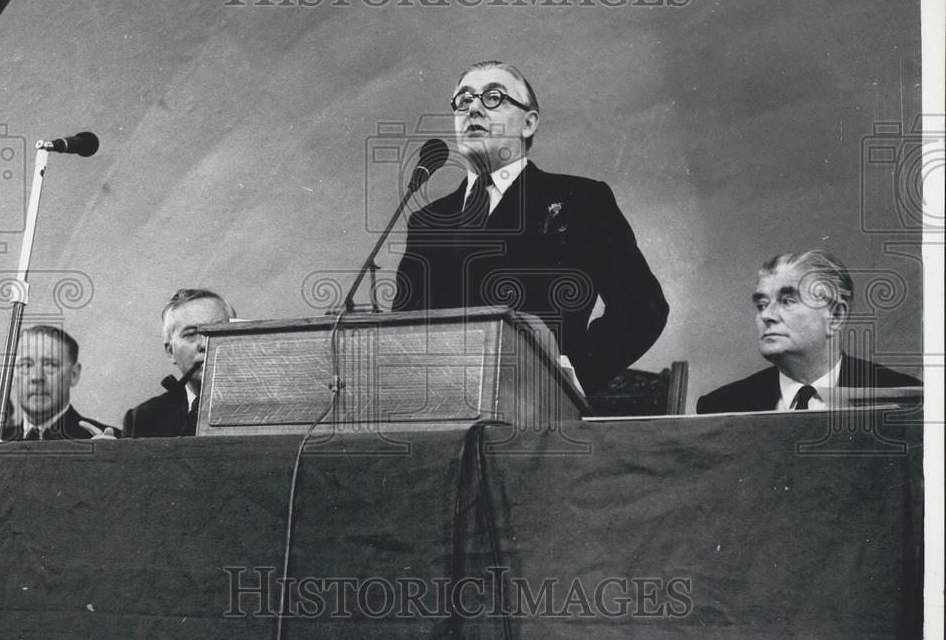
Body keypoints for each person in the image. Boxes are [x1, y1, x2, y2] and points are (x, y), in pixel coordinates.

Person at [393, 60, 668, 396]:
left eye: (493, 97)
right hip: (443, 409)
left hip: (538, 413)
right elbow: (402, 333)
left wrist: (567, 377)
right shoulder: (426, 222)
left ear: (528, 122)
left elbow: (643, 307)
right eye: (463, 100)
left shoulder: (581, 200)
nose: (474, 109)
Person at [696, 250, 921, 413]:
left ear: (836, 316)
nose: (767, 315)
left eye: (787, 301)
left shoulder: (905, 399)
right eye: (762, 304)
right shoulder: (722, 407)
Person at [123, 288, 236, 438]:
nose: (205, 344)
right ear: (171, 352)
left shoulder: (271, 406)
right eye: (191, 334)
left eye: (218, 330)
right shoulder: (142, 419)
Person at [2, 325, 118, 440]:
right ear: (13, 375)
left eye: (50, 364)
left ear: (74, 375)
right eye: (26, 365)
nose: (36, 377)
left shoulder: (108, 441)